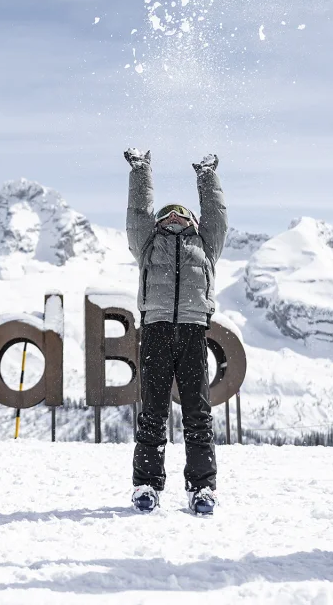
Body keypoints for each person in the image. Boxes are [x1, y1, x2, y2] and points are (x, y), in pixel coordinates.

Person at [124, 148, 227, 516]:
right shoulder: (148, 244)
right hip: (155, 331)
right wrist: (141, 169)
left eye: (182, 212)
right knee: (152, 412)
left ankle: (202, 489)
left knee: (198, 413)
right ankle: (147, 485)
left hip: (194, 331)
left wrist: (206, 175)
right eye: (168, 212)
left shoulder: (205, 245)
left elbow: (216, 216)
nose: (174, 215)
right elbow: (137, 212)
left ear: (192, 219)